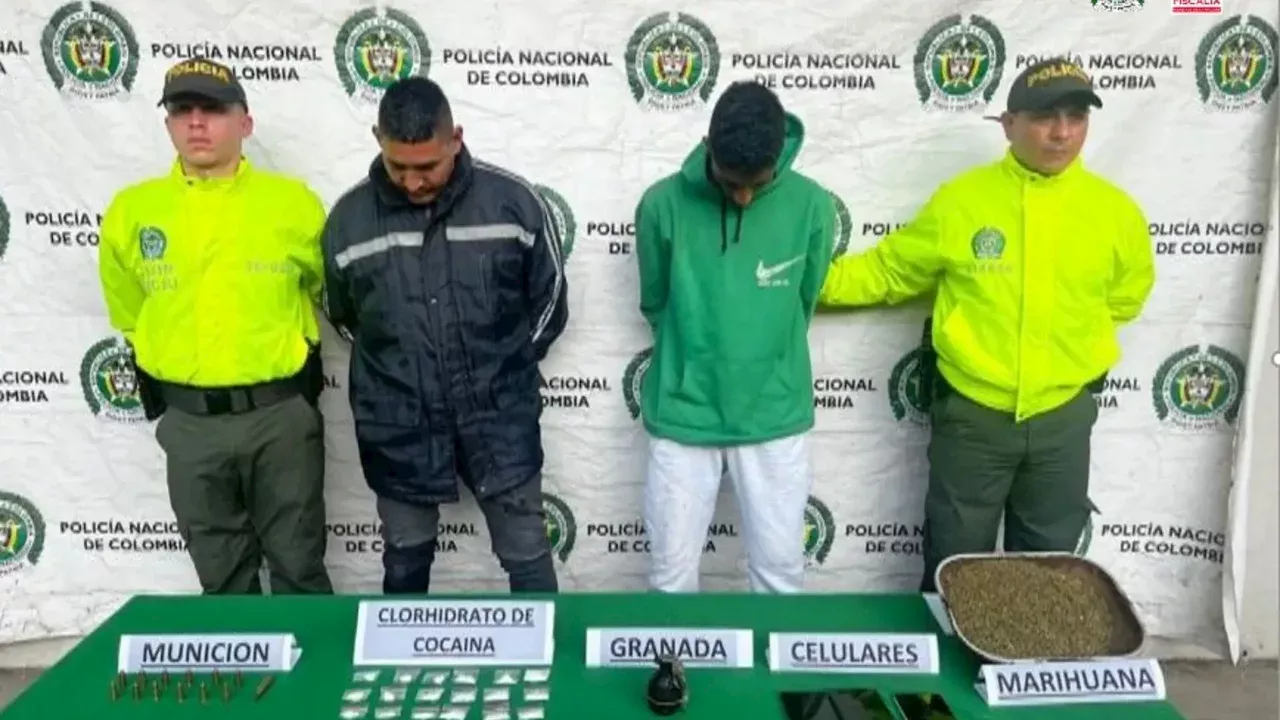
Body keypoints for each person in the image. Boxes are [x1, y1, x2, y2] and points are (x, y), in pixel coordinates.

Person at [817, 58, 1156, 591]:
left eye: (1076, 116)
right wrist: (795, 286)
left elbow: (1126, 299)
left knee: (1048, 573)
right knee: (955, 563)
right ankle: (947, 674)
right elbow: (888, 270)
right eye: (1045, 116)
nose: (1063, 132)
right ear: (1009, 124)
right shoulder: (962, 202)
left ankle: (1030, 673)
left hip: (1062, 420)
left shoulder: (1116, 214)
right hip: (973, 418)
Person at [321, 77, 568, 595]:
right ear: (376, 139)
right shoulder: (348, 220)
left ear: (456, 137)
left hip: (500, 418)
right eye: (398, 167)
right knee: (405, 560)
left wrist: (506, 370)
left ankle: (548, 670)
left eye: (427, 166)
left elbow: (549, 302)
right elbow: (346, 317)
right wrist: (400, 374)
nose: (412, 183)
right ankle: (395, 675)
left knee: (526, 551)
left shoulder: (513, 203)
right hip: (397, 424)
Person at [97, 58, 333, 594]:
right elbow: (133, 313)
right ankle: (243, 680)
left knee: (299, 564)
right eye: (183, 110)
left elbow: (329, 292)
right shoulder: (132, 212)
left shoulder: (292, 204)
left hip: (280, 418)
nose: (197, 123)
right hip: (189, 422)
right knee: (221, 575)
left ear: (244, 123)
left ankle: (313, 679)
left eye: (213, 110)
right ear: (168, 124)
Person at [634, 80, 835, 594]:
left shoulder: (813, 206)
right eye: (729, 182)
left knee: (780, 575)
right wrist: (693, 359)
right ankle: (673, 678)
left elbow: (803, 300)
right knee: (670, 576)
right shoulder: (660, 205)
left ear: (779, 159)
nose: (743, 196)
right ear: (707, 147)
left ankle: (774, 680)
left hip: (774, 412)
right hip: (683, 412)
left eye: (758, 182)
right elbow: (656, 302)